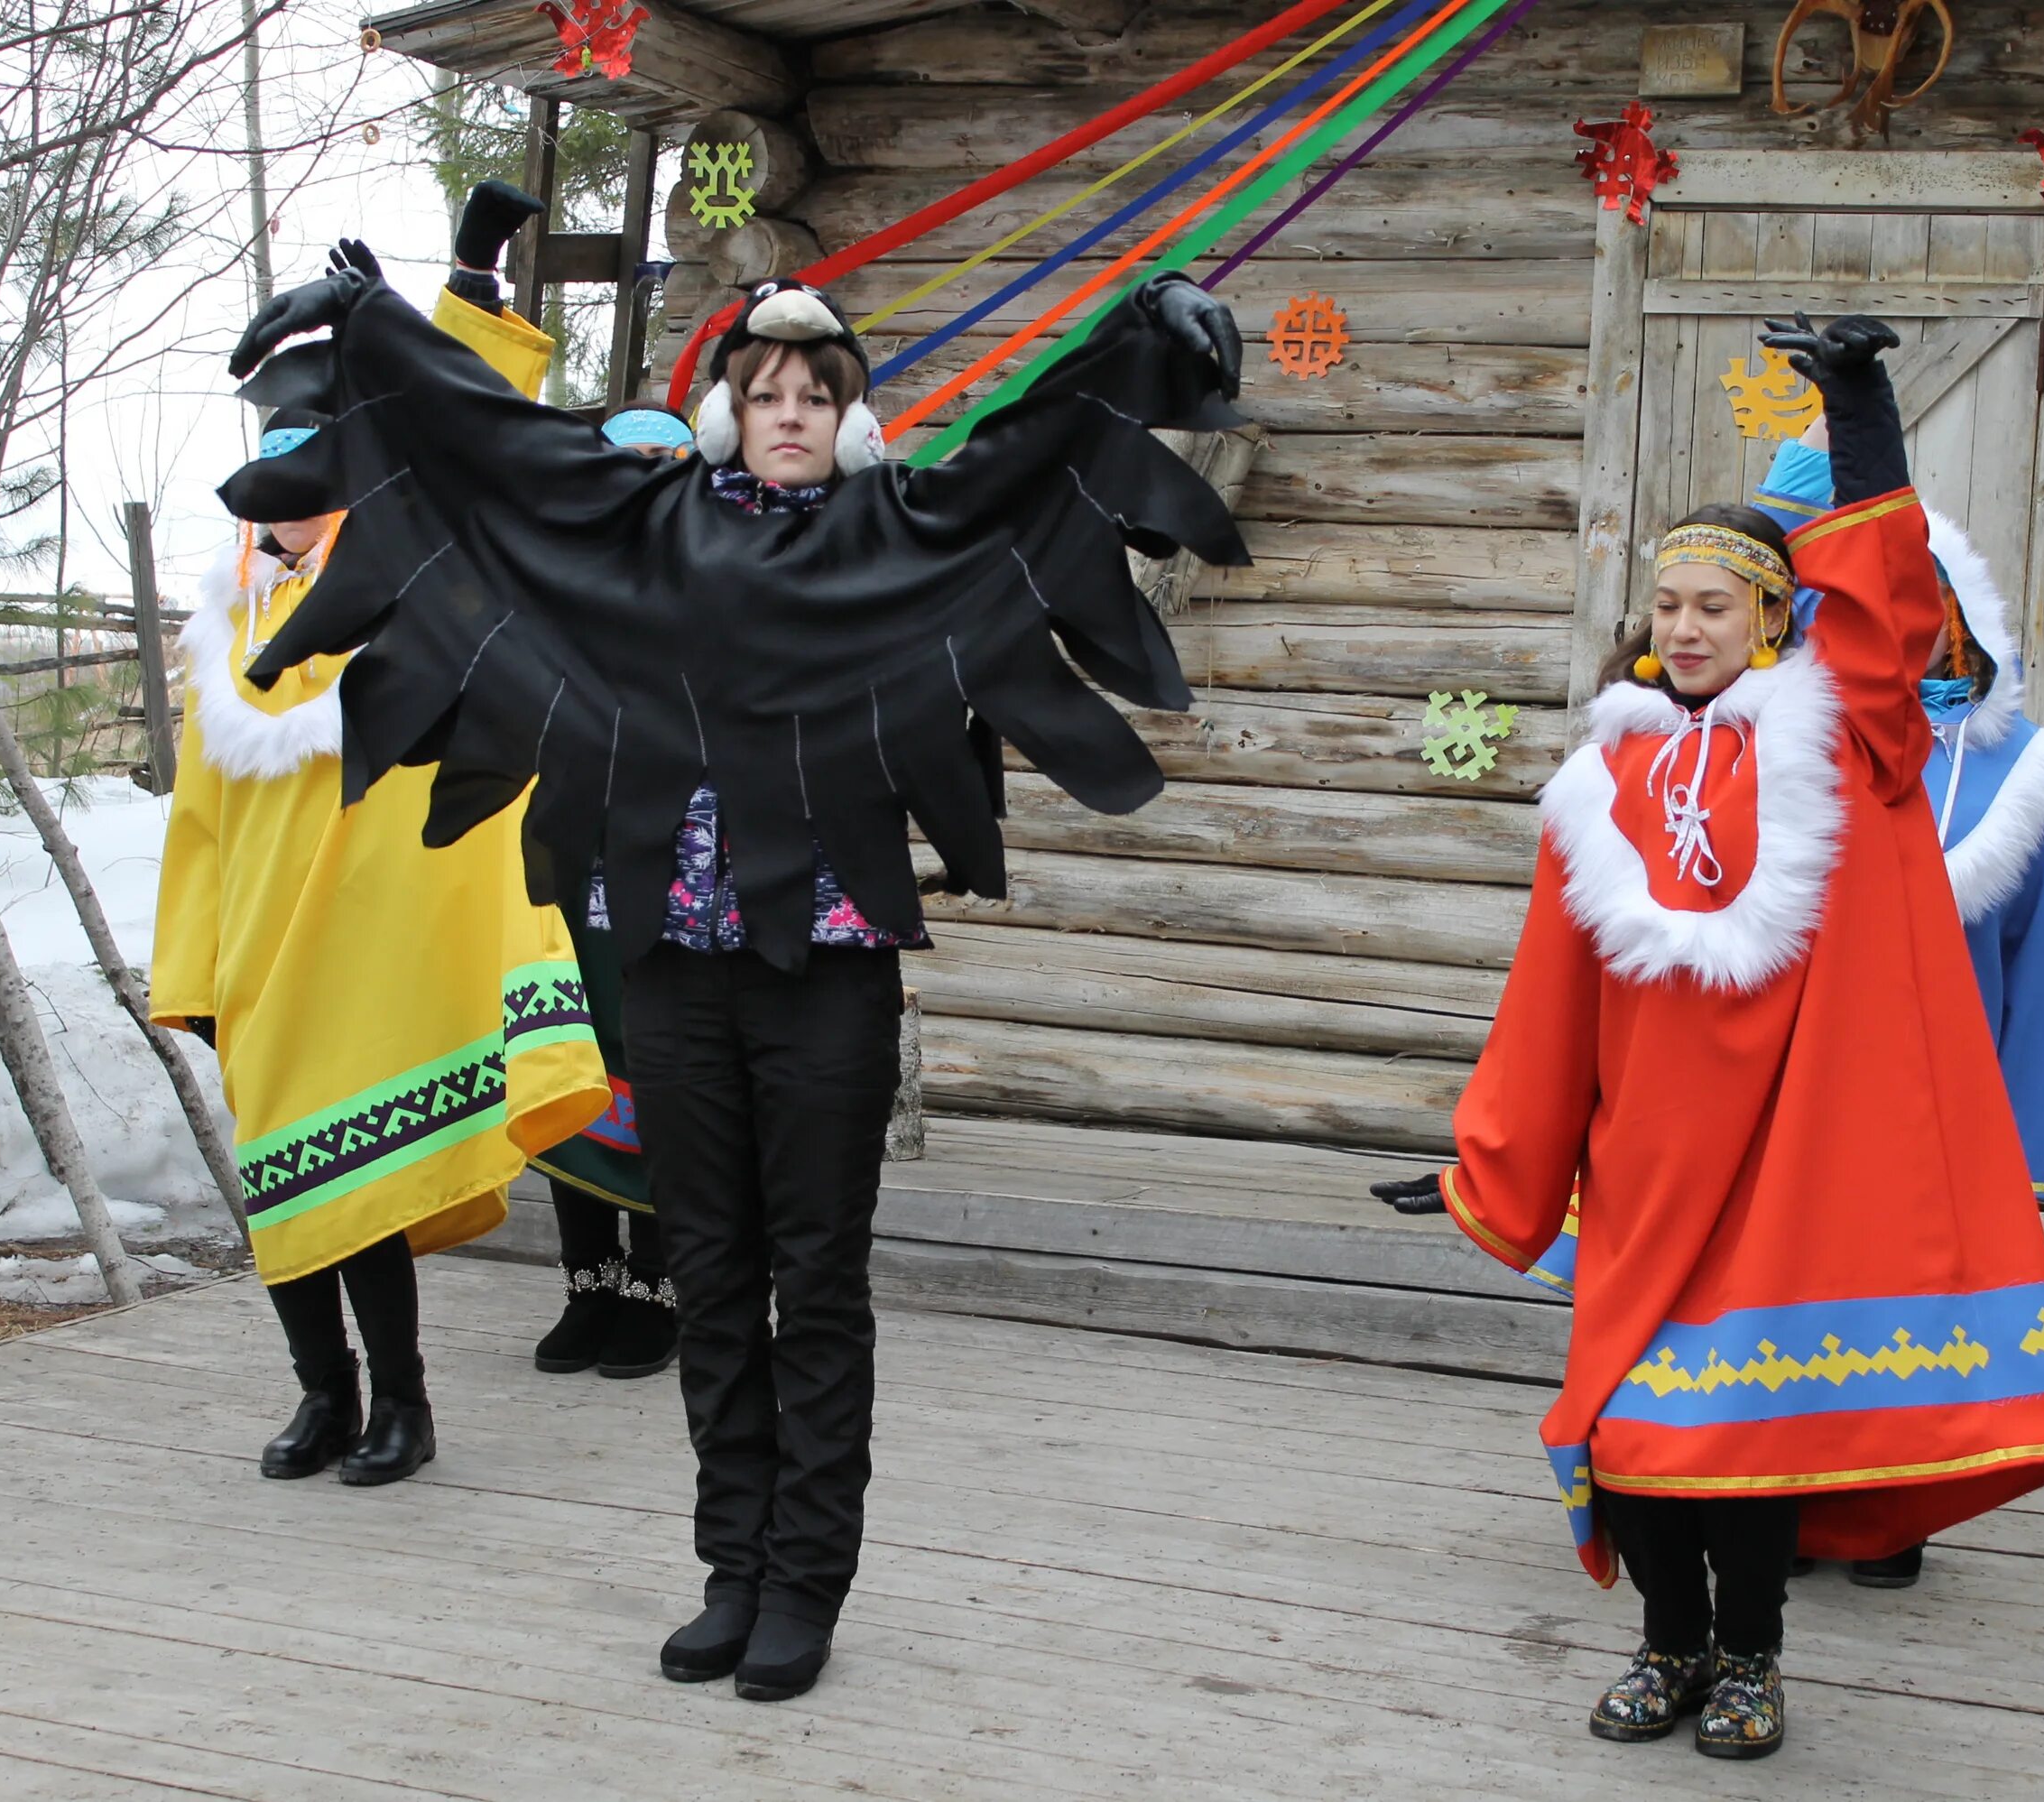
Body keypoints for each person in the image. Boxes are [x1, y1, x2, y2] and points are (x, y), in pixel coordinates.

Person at [215, 248, 1246, 1700]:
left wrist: (1146, 331)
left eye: (811, 395)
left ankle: (806, 1579)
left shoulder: (901, 530)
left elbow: (1028, 446)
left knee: (814, 1282)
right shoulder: (645, 526)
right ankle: (731, 1567)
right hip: (677, 970)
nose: (784, 413)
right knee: (711, 1275)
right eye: (760, 391)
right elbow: (500, 450)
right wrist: (380, 319)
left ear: (848, 417)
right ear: (723, 410)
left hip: (826, 974)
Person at [1374, 315, 2044, 1759]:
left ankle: (1754, 1657)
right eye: (1671, 605)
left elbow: (1893, 619)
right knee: (1634, 1425)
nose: (1689, 626)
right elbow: (1551, 990)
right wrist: (1496, 1157)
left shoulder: (1841, 747)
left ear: (1774, 621)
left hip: (1785, 1158)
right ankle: (1668, 1642)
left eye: (1720, 603)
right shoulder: (1601, 781)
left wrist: (1864, 417)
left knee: (1749, 1437)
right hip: (1646, 1160)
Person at [149, 409, 609, 1489]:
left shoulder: (411, 600)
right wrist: (194, 968)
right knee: (283, 1178)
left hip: (375, 943)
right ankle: (324, 1389)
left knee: (362, 1184)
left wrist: (468, 293)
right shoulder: (224, 635)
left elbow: (472, 447)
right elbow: (199, 823)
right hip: (262, 947)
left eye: (312, 480)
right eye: (272, 483)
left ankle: (403, 1401)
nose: (288, 504)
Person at [1750, 423, 2044, 1591]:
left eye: (1938, 605)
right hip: (1801, 1077)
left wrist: (2024, 1135)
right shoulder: (1799, 745)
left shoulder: (2026, 771)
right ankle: (1783, 1503)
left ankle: (1893, 1514)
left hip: (1938, 1094)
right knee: (1798, 1290)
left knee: (1915, 1304)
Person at [428, 187, 689, 1383]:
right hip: (558, 878)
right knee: (569, 1066)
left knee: (668, 1085)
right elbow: (466, 452)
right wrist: (474, 284)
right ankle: (590, 1284)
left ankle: (662, 1287)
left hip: (680, 885)